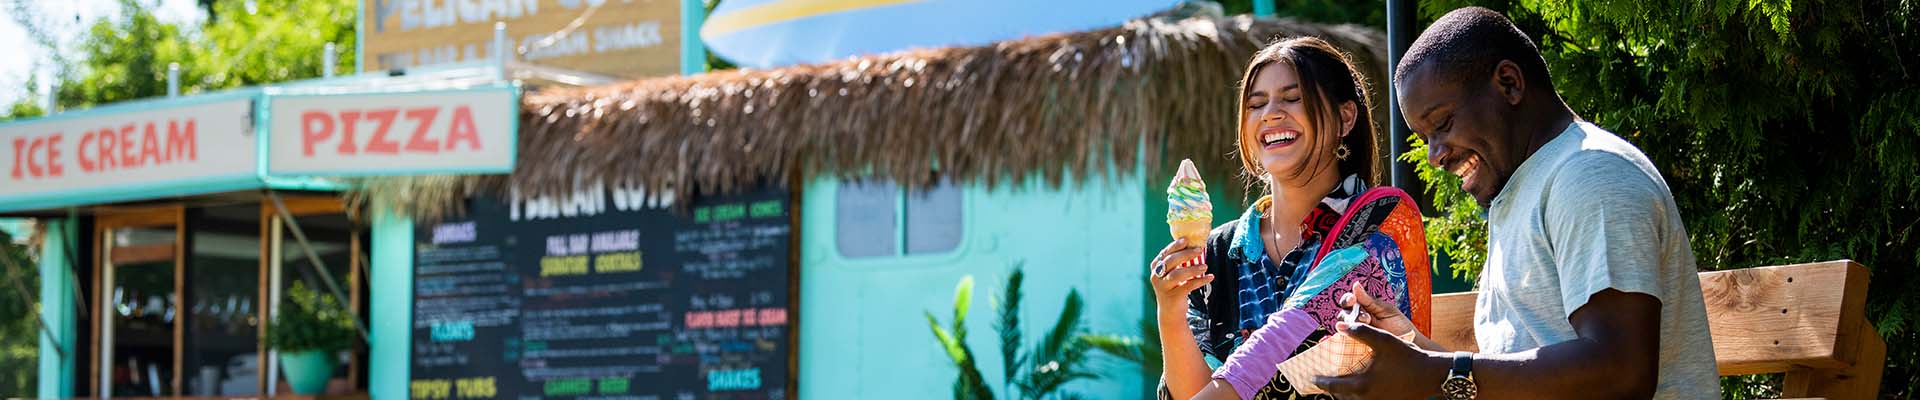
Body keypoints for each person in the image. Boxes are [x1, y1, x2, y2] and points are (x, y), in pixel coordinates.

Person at [1314, 7, 1719, 399]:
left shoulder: (1589, 175)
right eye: (1424, 139)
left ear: (1509, 83)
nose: (1434, 155)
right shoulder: (1526, 187)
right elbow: (1516, 378)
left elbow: (1621, 373)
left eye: (1441, 124)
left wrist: (1435, 373)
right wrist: (1413, 351)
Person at [1147, 36, 1432, 400]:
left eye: (1292, 98)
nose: (1270, 113)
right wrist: (1170, 313)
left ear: (1344, 118)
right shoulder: (1220, 250)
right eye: (1256, 103)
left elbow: (1297, 333)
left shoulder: (1381, 221)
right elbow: (1194, 392)